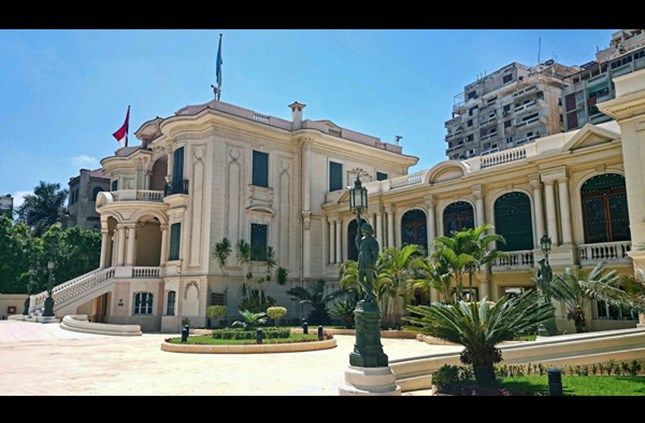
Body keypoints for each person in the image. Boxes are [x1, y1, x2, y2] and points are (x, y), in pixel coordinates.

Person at [355, 220, 379, 303]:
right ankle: (370, 294)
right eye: (361, 230)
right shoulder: (362, 239)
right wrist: (358, 235)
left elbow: (375, 253)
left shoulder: (372, 240)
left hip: (368, 261)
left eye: (363, 230)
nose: (362, 231)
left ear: (367, 230)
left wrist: (373, 263)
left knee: (369, 280)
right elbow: (358, 246)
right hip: (361, 260)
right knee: (360, 279)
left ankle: (369, 296)